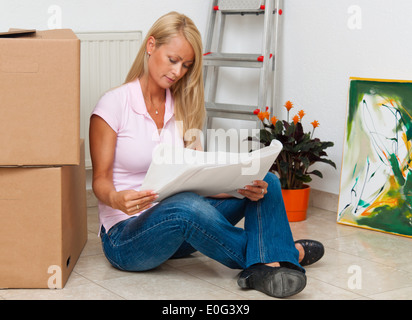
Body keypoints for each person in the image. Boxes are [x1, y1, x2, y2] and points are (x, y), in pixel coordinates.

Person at [89, 11, 324, 298]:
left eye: (186, 66)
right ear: (151, 46)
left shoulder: (183, 107)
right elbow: (99, 181)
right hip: (128, 237)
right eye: (172, 60)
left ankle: (270, 261)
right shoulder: (113, 104)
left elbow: (196, 180)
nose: (177, 72)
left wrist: (239, 187)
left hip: (180, 230)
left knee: (266, 183)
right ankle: (284, 257)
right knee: (185, 206)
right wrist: (116, 198)